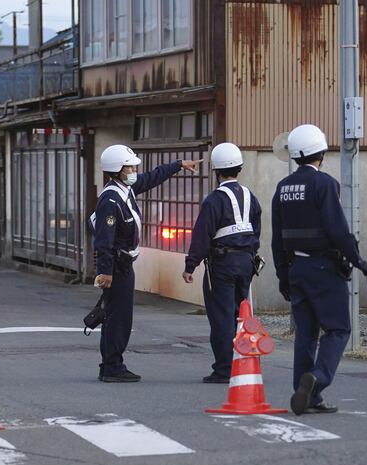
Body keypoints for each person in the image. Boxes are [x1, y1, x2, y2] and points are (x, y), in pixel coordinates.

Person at [271, 124, 367, 415]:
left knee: (306, 334)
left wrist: (283, 275)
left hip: (296, 269)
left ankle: (305, 395)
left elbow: (276, 237)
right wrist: (358, 261)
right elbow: (338, 230)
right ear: (321, 152)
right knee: (339, 329)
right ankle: (317, 380)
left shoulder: (282, 188)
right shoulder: (325, 184)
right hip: (323, 268)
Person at [92, 144, 201, 382]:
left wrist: (178, 165)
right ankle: (112, 366)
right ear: (117, 169)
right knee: (117, 317)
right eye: (129, 166)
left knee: (119, 316)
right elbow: (104, 240)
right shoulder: (110, 200)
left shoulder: (125, 189)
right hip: (116, 267)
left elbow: (151, 178)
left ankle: (112, 363)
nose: (134, 170)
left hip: (124, 265)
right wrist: (105, 272)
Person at [181, 143, 261, 384]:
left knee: (222, 316)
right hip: (246, 261)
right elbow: (257, 229)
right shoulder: (250, 197)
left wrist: (190, 265)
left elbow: (202, 234)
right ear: (240, 168)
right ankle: (246, 361)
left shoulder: (214, 200)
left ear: (216, 171)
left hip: (222, 263)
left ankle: (224, 369)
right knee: (242, 314)